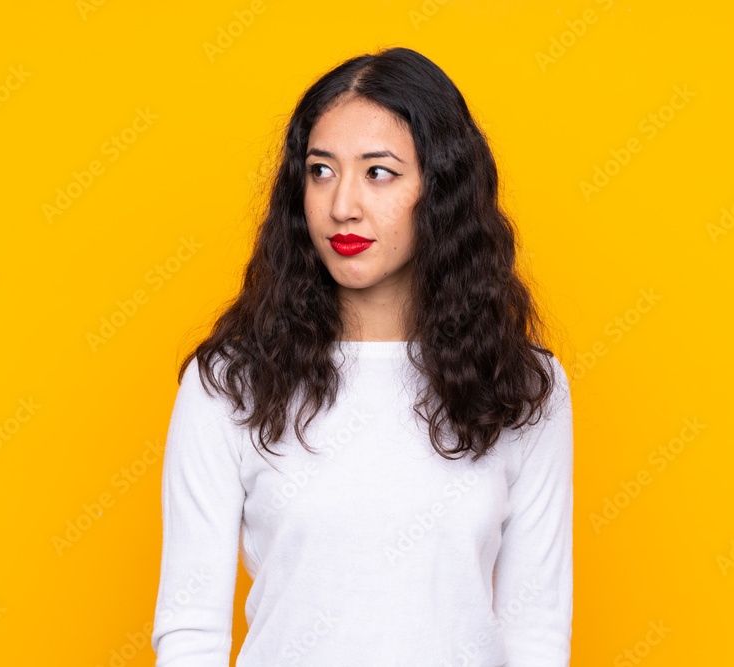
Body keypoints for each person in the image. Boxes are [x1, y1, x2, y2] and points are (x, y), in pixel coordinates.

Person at [150, 46, 573, 666]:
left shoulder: (523, 387)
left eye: (379, 172)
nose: (342, 204)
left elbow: (534, 632)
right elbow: (190, 635)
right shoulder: (229, 385)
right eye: (321, 170)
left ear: (442, 189)